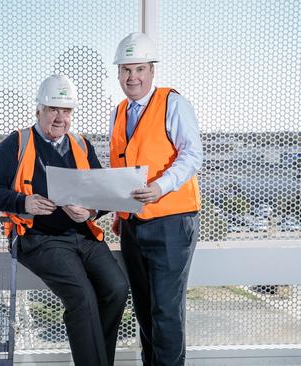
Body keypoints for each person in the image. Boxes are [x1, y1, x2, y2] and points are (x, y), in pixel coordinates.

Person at [0, 74, 129, 366]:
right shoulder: (17, 143)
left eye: (66, 111)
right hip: (38, 238)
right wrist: (25, 202)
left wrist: (90, 213)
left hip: (82, 236)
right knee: (82, 297)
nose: (60, 118)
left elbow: (101, 194)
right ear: (39, 111)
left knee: (116, 288)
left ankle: (100, 360)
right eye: (53, 110)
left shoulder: (82, 145)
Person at [109, 32, 203, 366]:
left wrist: (161, 186)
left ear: (152, 71)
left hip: (172, 223)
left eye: (139, 70)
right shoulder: (119, 111)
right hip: (134, 225)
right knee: (146, 311)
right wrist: (121, 214)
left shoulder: (173, 103)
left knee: (165, 312)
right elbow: (121, 165)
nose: (132, 77)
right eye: (126, 70)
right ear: (118, 73)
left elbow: (192, 156)